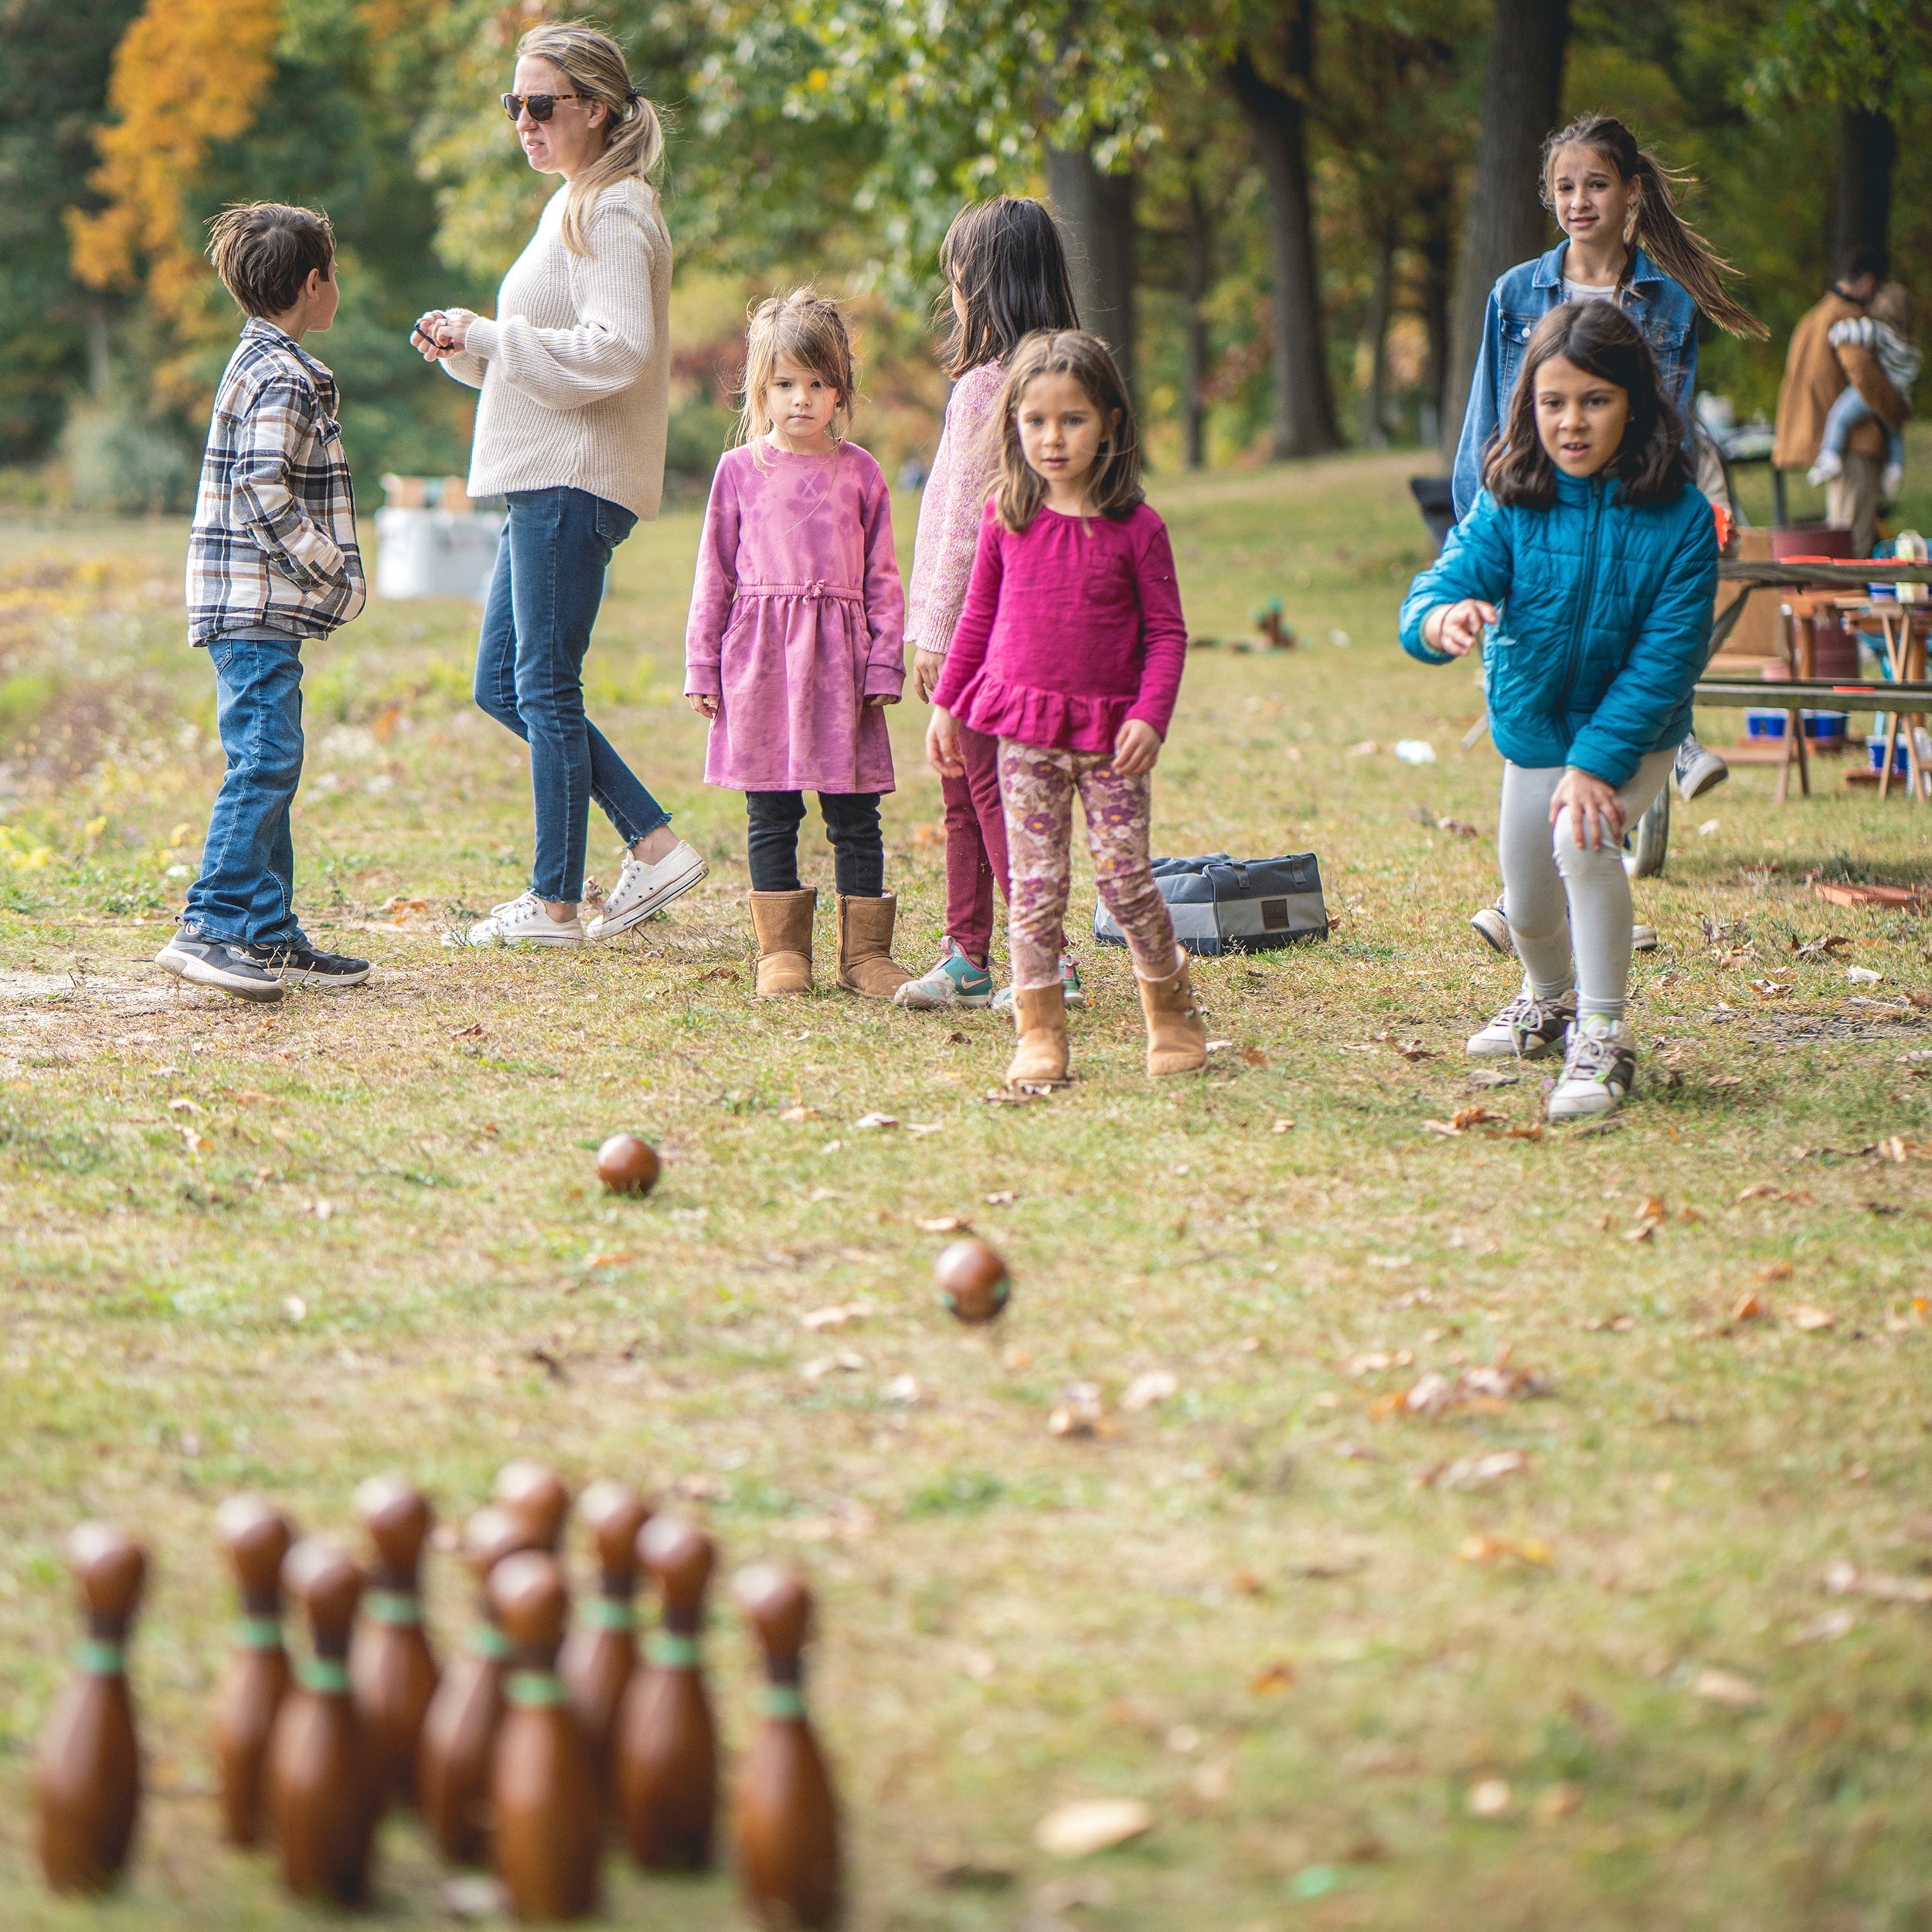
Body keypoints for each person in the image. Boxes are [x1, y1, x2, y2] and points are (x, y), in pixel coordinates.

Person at [413, 20, 705, 949]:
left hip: (572, 479)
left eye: (541, 105)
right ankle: (652, 843)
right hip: (545, 476)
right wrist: (468, 348)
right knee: (507, 683)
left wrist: (494, 336)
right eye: (514, 106)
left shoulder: (614, 208)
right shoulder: (573, 202)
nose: (524, 123)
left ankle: (553, 903)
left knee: (540, 682)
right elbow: (544, 356)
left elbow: (618, 352)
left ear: (596, 108)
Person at [1403, 303, 1718, 1121]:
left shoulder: (1682, 519)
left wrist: (1593, 768)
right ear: (1528, 408)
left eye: (1594, 401)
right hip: (1538, 727)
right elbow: (1443, 581)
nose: (1571, 423)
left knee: (1583, 843)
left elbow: (1665, 662)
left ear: (1634, 405)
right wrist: (1439, 620)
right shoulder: (1512, 499)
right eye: (1553, 403)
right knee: (1530, 906)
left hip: (1632, 735)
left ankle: (1604, 1036)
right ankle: (1548, 998)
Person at [1453, 114, 1764, 816]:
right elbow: (1488, 422)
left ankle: (1588, 871)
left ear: (1631, 191)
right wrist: (1481, 533)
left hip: (1627, 524)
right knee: (1544, 703)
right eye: (1565, 186)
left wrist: (1674, 524)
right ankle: (1553, 890)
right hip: (1537, 519)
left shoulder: (1670, 302)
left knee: (1624, 688)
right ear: (1547, 195)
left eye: (1597, 183)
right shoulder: (1514, 296)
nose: (1580, 201)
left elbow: (1672, 427)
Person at [927, 331, 1204, 1087]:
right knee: (1035, 885)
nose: (1053, 438)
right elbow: (976, 620)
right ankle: (1039, 1031)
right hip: (1022, 737)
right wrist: (948, 706)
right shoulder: (1004, 517)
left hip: (1112, 739)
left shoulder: (1137, 530)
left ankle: (1170, 1003)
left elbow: (1168, 633)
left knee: (1123, 881)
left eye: (1072, 419)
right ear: (1014, 423)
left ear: (1110, 422)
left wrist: (1151, 713)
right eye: (1036, 421)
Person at [157, 203, 372, 1005]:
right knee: (266, 759)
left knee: (272, 758)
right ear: (314, 285)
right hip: (253, 603)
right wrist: (324, 563)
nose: (336, 287)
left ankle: (266, 928)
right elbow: (261, 485)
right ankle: (209, 925)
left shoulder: (261, 360)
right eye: (335, 274)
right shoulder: (282, 374)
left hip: (253, 607)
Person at [683, 292, 912, 1001]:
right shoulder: (738, 472)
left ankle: (865, 955)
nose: (802, 399)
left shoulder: (863, 471)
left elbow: (883, 576)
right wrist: (703, 663)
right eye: (785, 384)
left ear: (840, 388)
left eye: (817, 384)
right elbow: (713, 574)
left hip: (841, 663)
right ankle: (782, 953)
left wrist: (885, 659)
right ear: (761, 389)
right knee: (771, 808)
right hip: (760, 662)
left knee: (855, 811)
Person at [896, 196, 1085, 1015]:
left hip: (982, 633)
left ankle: (1045, 958)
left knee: (987, 792)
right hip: (1043, 625)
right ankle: (965, 952)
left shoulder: (984, 389)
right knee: (968, 789)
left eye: (959, 280)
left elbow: (960, 530)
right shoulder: (1066, 388)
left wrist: (934, 635)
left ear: (984, 284)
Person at [1774, 245, 1910, 558]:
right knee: (1853, 542)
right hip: (1857, 443)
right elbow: (1865, 376)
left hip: (1836, 444)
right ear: (1870, 281)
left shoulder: (1816, 314)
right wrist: (1898, 408)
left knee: (1840, 534)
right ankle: (1851, 603)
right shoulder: (1848, 317)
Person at [1810, 281, 1917, 502]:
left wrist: (1835, 334)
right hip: (1898, 398)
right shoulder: (1913, 348)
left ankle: (1830, 456)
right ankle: (1895, 468)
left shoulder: (1880, 332)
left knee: (1839, 415)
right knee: (1894, 433)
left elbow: (1855, 331)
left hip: (1871, 395)